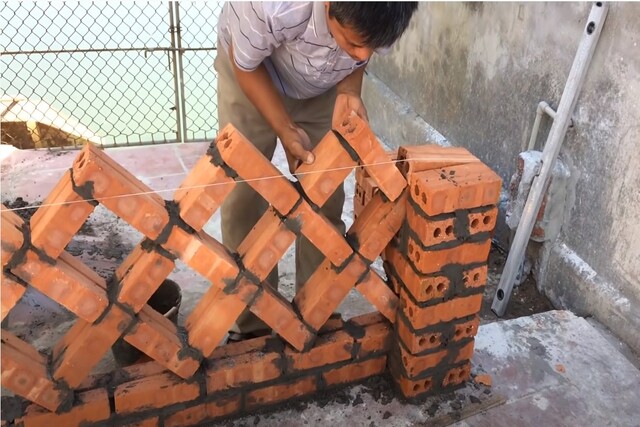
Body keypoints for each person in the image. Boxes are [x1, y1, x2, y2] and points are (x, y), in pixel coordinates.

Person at [216, 2, 418, 341]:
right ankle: (253, 323)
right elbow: (246, 65)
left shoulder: (388, 9)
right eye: (354, 43)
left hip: (323, 84)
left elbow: (364, 48)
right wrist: (285, 127)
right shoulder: (272, 6)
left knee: (324, 197)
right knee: (244, 195)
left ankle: (316, 312)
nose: (364, 54)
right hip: (252, 75)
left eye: (372, 47)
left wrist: (350, 89)